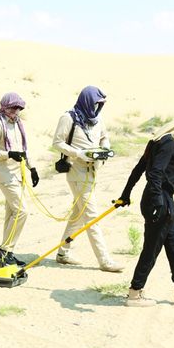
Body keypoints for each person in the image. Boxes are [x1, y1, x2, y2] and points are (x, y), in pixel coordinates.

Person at [118, 116, 174, 306]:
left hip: (161, 200)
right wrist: (158, 203)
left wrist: (125, 194)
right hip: (159, 201)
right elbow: (154, 173)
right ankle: (134, 294)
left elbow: (138, 169)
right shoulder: (169, 142)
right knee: (151, 250)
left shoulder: (158, 140)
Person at [52, 86, 124, 273]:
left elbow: (104, 137)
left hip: (93, 172)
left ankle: (62, 253)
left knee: (77, 215)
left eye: (100, 104)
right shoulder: (68, 118)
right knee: (92, 217)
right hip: (77, 172)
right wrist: (79, 153)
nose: (98, 107)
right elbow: (57, 142)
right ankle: (104, 260)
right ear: (87, 101)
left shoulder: (97, 119)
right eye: (95, 103)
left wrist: (105, 149)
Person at [0, 92, 39, 266]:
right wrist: (8, 154)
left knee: (11, 214)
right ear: (5, 107)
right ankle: (6, 249)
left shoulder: (18, 124)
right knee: (22, 211)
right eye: (14, 108)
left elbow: (24, 149)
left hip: (19, 173)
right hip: (5, 175)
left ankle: (6, 252)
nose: (17, 111)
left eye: (19, 108)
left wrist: (33, 168)